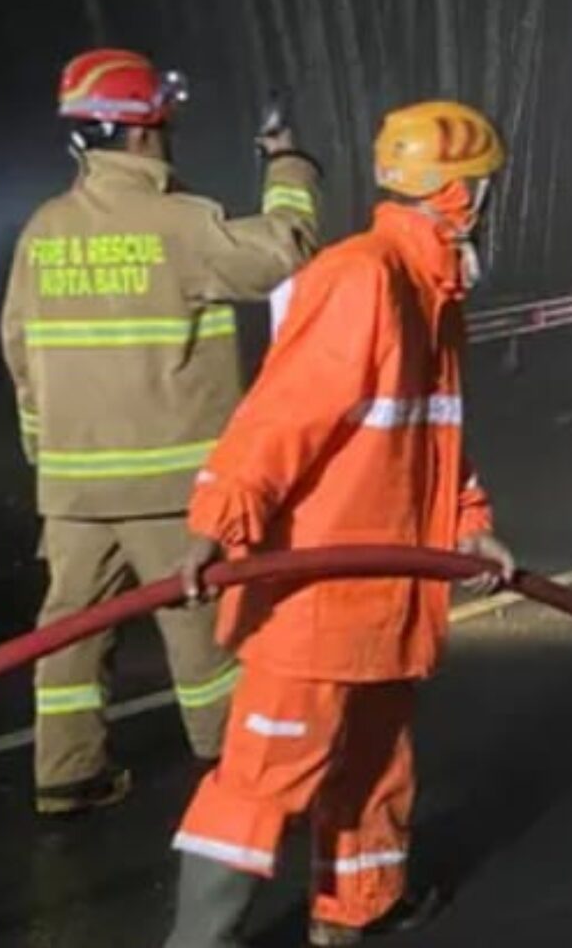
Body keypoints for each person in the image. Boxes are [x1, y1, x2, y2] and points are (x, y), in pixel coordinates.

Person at [162, 100, 516, 948]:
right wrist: (218, 520)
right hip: (320, 598)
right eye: (484, 188)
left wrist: (470, 523)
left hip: (395, 586)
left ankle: (358, 910)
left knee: (374, 766)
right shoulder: (364, 278)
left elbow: (435, 437)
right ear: (456, 195)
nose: (489, 205)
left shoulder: (435, 294)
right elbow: (280, 417)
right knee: (260, 786)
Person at [0, 48, 324, 816]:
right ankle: (234, 768)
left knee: (68, 637)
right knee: (205, 634)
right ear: (146, 131)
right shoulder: (181, 223)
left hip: (73, 488)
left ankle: (67, 775)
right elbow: (287, 251)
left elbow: (18, 351)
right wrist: (291, 167)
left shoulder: (42, 230)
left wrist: (46, 457)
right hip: (173, 489)